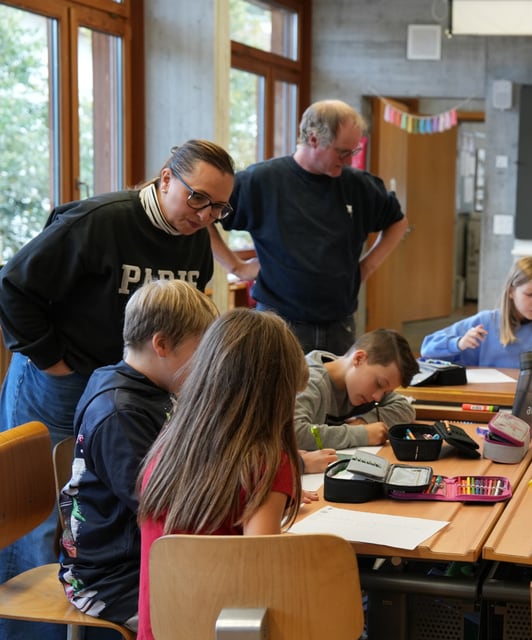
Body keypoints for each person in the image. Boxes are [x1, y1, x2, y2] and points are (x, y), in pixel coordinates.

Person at [0, 138, 234, 640]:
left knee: (112, 503)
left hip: (131, 384)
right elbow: (12, 286)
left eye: (218, 206)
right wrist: (56, 363)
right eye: (198, 198)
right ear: (166, 179)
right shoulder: (97, 220)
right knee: (46, 512)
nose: (206, 215)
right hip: (59, 378)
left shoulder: (193, 237)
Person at [136, 308, 308, 640]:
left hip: (162, 630)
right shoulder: (267, 463)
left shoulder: (166, 448)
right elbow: (262, 576)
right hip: (226, 631)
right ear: (280, 389)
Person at [58, 279, 218, 632]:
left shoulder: (155, 389)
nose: (206, 367)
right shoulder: (119, 414)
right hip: (112, 578)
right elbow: (162, 505)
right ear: (161, 344)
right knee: (226, 617)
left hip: (151, 557)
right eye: (201, 353)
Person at [209, 99, 409, 355]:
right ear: (313, 139)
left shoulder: (359, 186)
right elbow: (203, 215)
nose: (349, 161)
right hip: (279, 323)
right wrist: (236, 266)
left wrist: (367, 266)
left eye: (353, 151)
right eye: (342, 152)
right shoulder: (261, 181)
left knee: (336, 395)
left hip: (340, 325)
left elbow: (397, 221)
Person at [420, 257, 532, 372]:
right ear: (511, 292)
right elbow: (427, 349)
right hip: (489, 404)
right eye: (529, 294)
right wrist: (459, 343)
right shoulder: (485, 321)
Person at [295, 329, 418, 456]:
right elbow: (293, 434)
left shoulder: (357, 384)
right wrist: (361, 434)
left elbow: (405, 408)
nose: (377, 397)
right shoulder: (308, 382)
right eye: (379, 384)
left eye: (386, 391)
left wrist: (363, 422)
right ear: (359, 359)